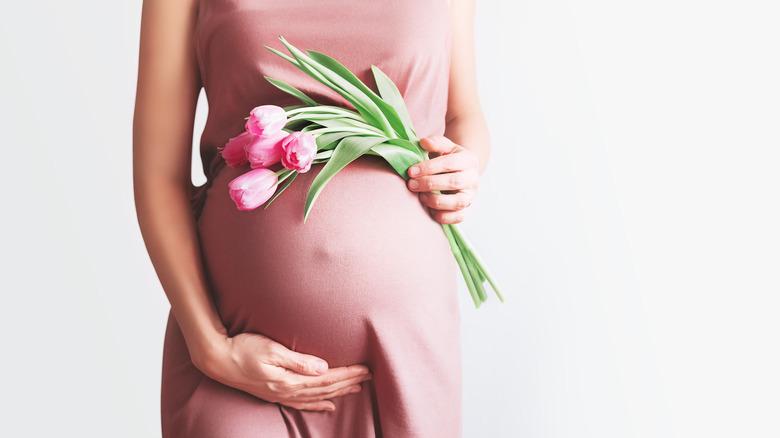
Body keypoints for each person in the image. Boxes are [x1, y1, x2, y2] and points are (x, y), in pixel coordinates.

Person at [133, 0, 491, 436]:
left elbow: (463, 115)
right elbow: (158, 174)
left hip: (404, 352)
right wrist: (210, 347)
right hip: (238, 358)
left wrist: (466, 164)